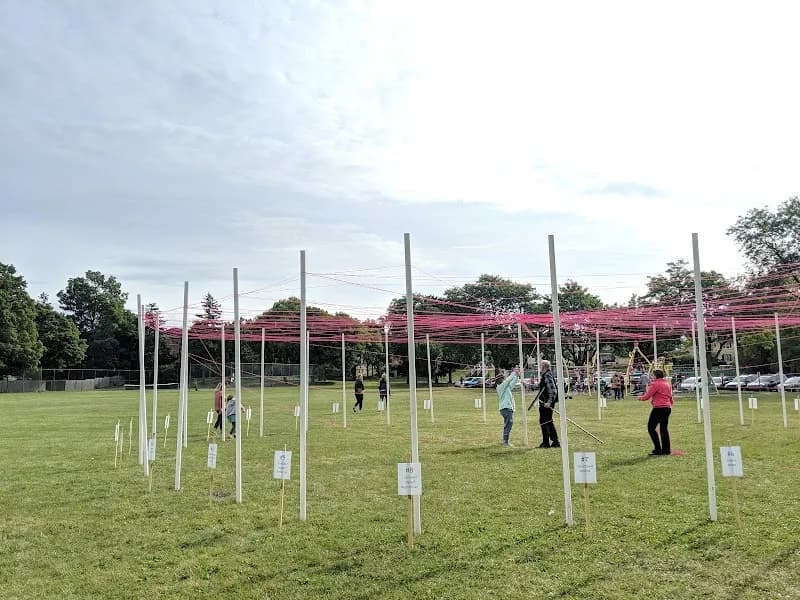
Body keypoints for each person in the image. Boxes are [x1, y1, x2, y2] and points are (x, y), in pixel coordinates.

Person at [638, 369, 673, 456]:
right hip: (667, 408)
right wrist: (670, 403)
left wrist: (640, 398)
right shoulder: (667, 384)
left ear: (655, 376)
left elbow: (647, 396)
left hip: (658, 408)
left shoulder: (655, 384)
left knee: (651, 428)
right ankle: (666, 450)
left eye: (652, 375)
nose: (651, 377)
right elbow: (670, 395)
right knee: (664, 429)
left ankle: (657, 449)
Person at [530, 359, 560, 448]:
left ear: (544, 367)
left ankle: (546, 443)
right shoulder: (545, 375)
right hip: (544, 403)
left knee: (544, 421)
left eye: (540, 366)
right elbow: (540, 386)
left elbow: (553, 391)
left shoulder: (547, 376)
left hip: (547, 403)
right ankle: (555, 442)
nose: (539, 367)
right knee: (548, 421)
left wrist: (549, 402)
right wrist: (527, 385)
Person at [495, 367, 520, 447]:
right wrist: (513, 372)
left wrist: (516, 376)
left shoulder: (506, 387)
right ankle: (505, 442)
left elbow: (512, 383)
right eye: (504, 378)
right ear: (501, 380)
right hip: (505, 408)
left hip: (507, 408)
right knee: (509, 424)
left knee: (508, 424)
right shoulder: (501, 386)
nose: (504, 379)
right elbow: (508, 381)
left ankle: (505, 441)